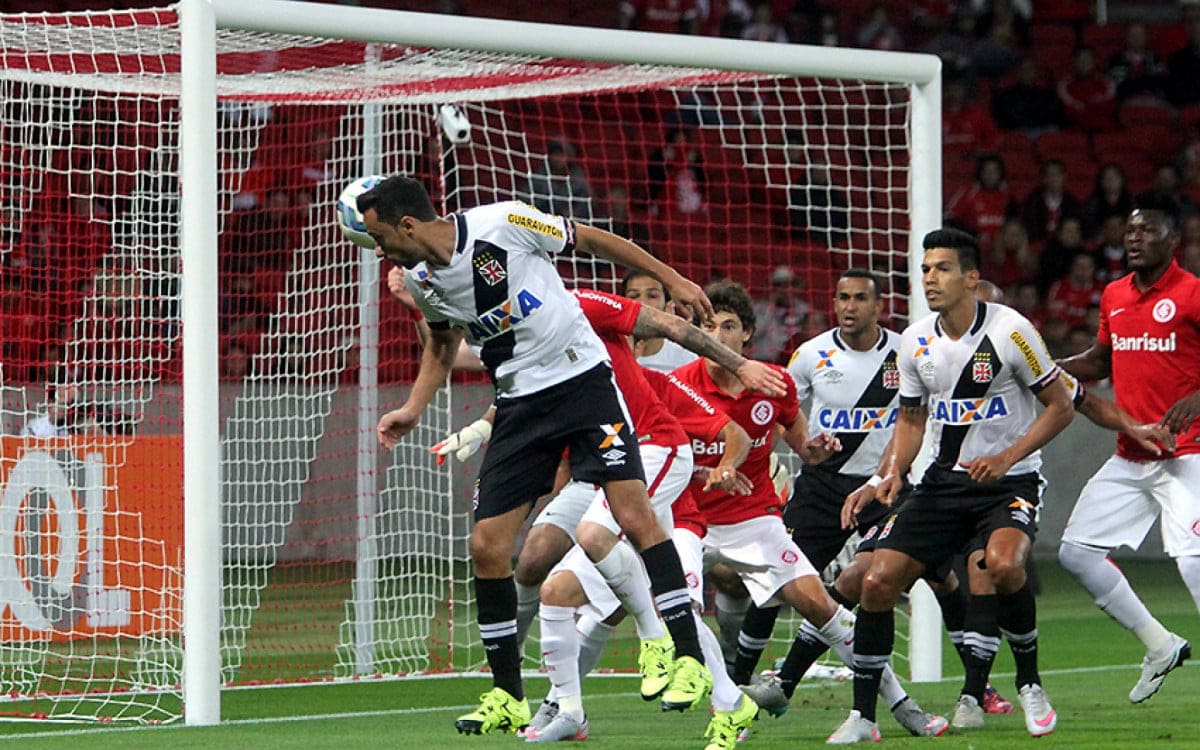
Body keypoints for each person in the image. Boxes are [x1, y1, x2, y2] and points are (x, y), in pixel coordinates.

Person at [356, 176, 721, 735]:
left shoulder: (503, 222)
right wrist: (413, 406)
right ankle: (507, 694)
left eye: (380, 236)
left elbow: (594, 239)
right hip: (520, 404)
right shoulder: (424, 281)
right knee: (487, 544)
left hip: (582, 382)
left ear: (407, 224)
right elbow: (442, 342)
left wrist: (671, 278)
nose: (378, 250)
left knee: (631, 513)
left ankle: (688, 657)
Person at [827, 228, 1075, 743]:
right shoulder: (916, 340)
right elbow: (912, 420)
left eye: (941, 268)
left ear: (971, 277)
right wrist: (889, 472)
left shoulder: (1013, 332)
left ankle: (1030, 682)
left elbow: (1062, 406)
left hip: (1010, 483)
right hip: (942, 487)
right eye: (925, 268)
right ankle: (863, 717)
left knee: (1005, 566)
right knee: (875, 581)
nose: (930, 278)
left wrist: (1007, 456)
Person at [674, 280, 949, 742]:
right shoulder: (677, 386)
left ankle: (901, 705)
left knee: (822, 606)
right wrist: (705, 475)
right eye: (706, 326)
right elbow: (662, 457)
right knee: (649, 603)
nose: (716, 335)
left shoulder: (773, 384)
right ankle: (563, 704)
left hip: (754, 520)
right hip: (689, 521)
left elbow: (805, 447)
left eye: (728, 326)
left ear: (747, 335)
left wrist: (817, 448)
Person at [1057, 201, 1200, 705]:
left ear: (1173, 240)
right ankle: (1159, 644)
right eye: (1130, 230)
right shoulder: (1115, 294)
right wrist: (1048, 368)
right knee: (1076, 553)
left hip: (1189, 453)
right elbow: (1100, 359)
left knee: (1192, 561)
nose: (1134, 238)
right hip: (1132, 453)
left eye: (1147, 231)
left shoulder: (1193, 294)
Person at [621, 269, 699, 373]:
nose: (642, 303)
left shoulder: (687, 358)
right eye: (634, 296)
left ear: (667, 306)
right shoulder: (607, 352)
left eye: (652, 296)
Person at [524, 139, 594, 221]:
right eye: (555, 154)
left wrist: (575, 212)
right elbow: (525, 199)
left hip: (572, 224)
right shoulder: (540, 176)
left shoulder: (577, 177)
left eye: (561, 155)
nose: (558, 159)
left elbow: (590, 201)